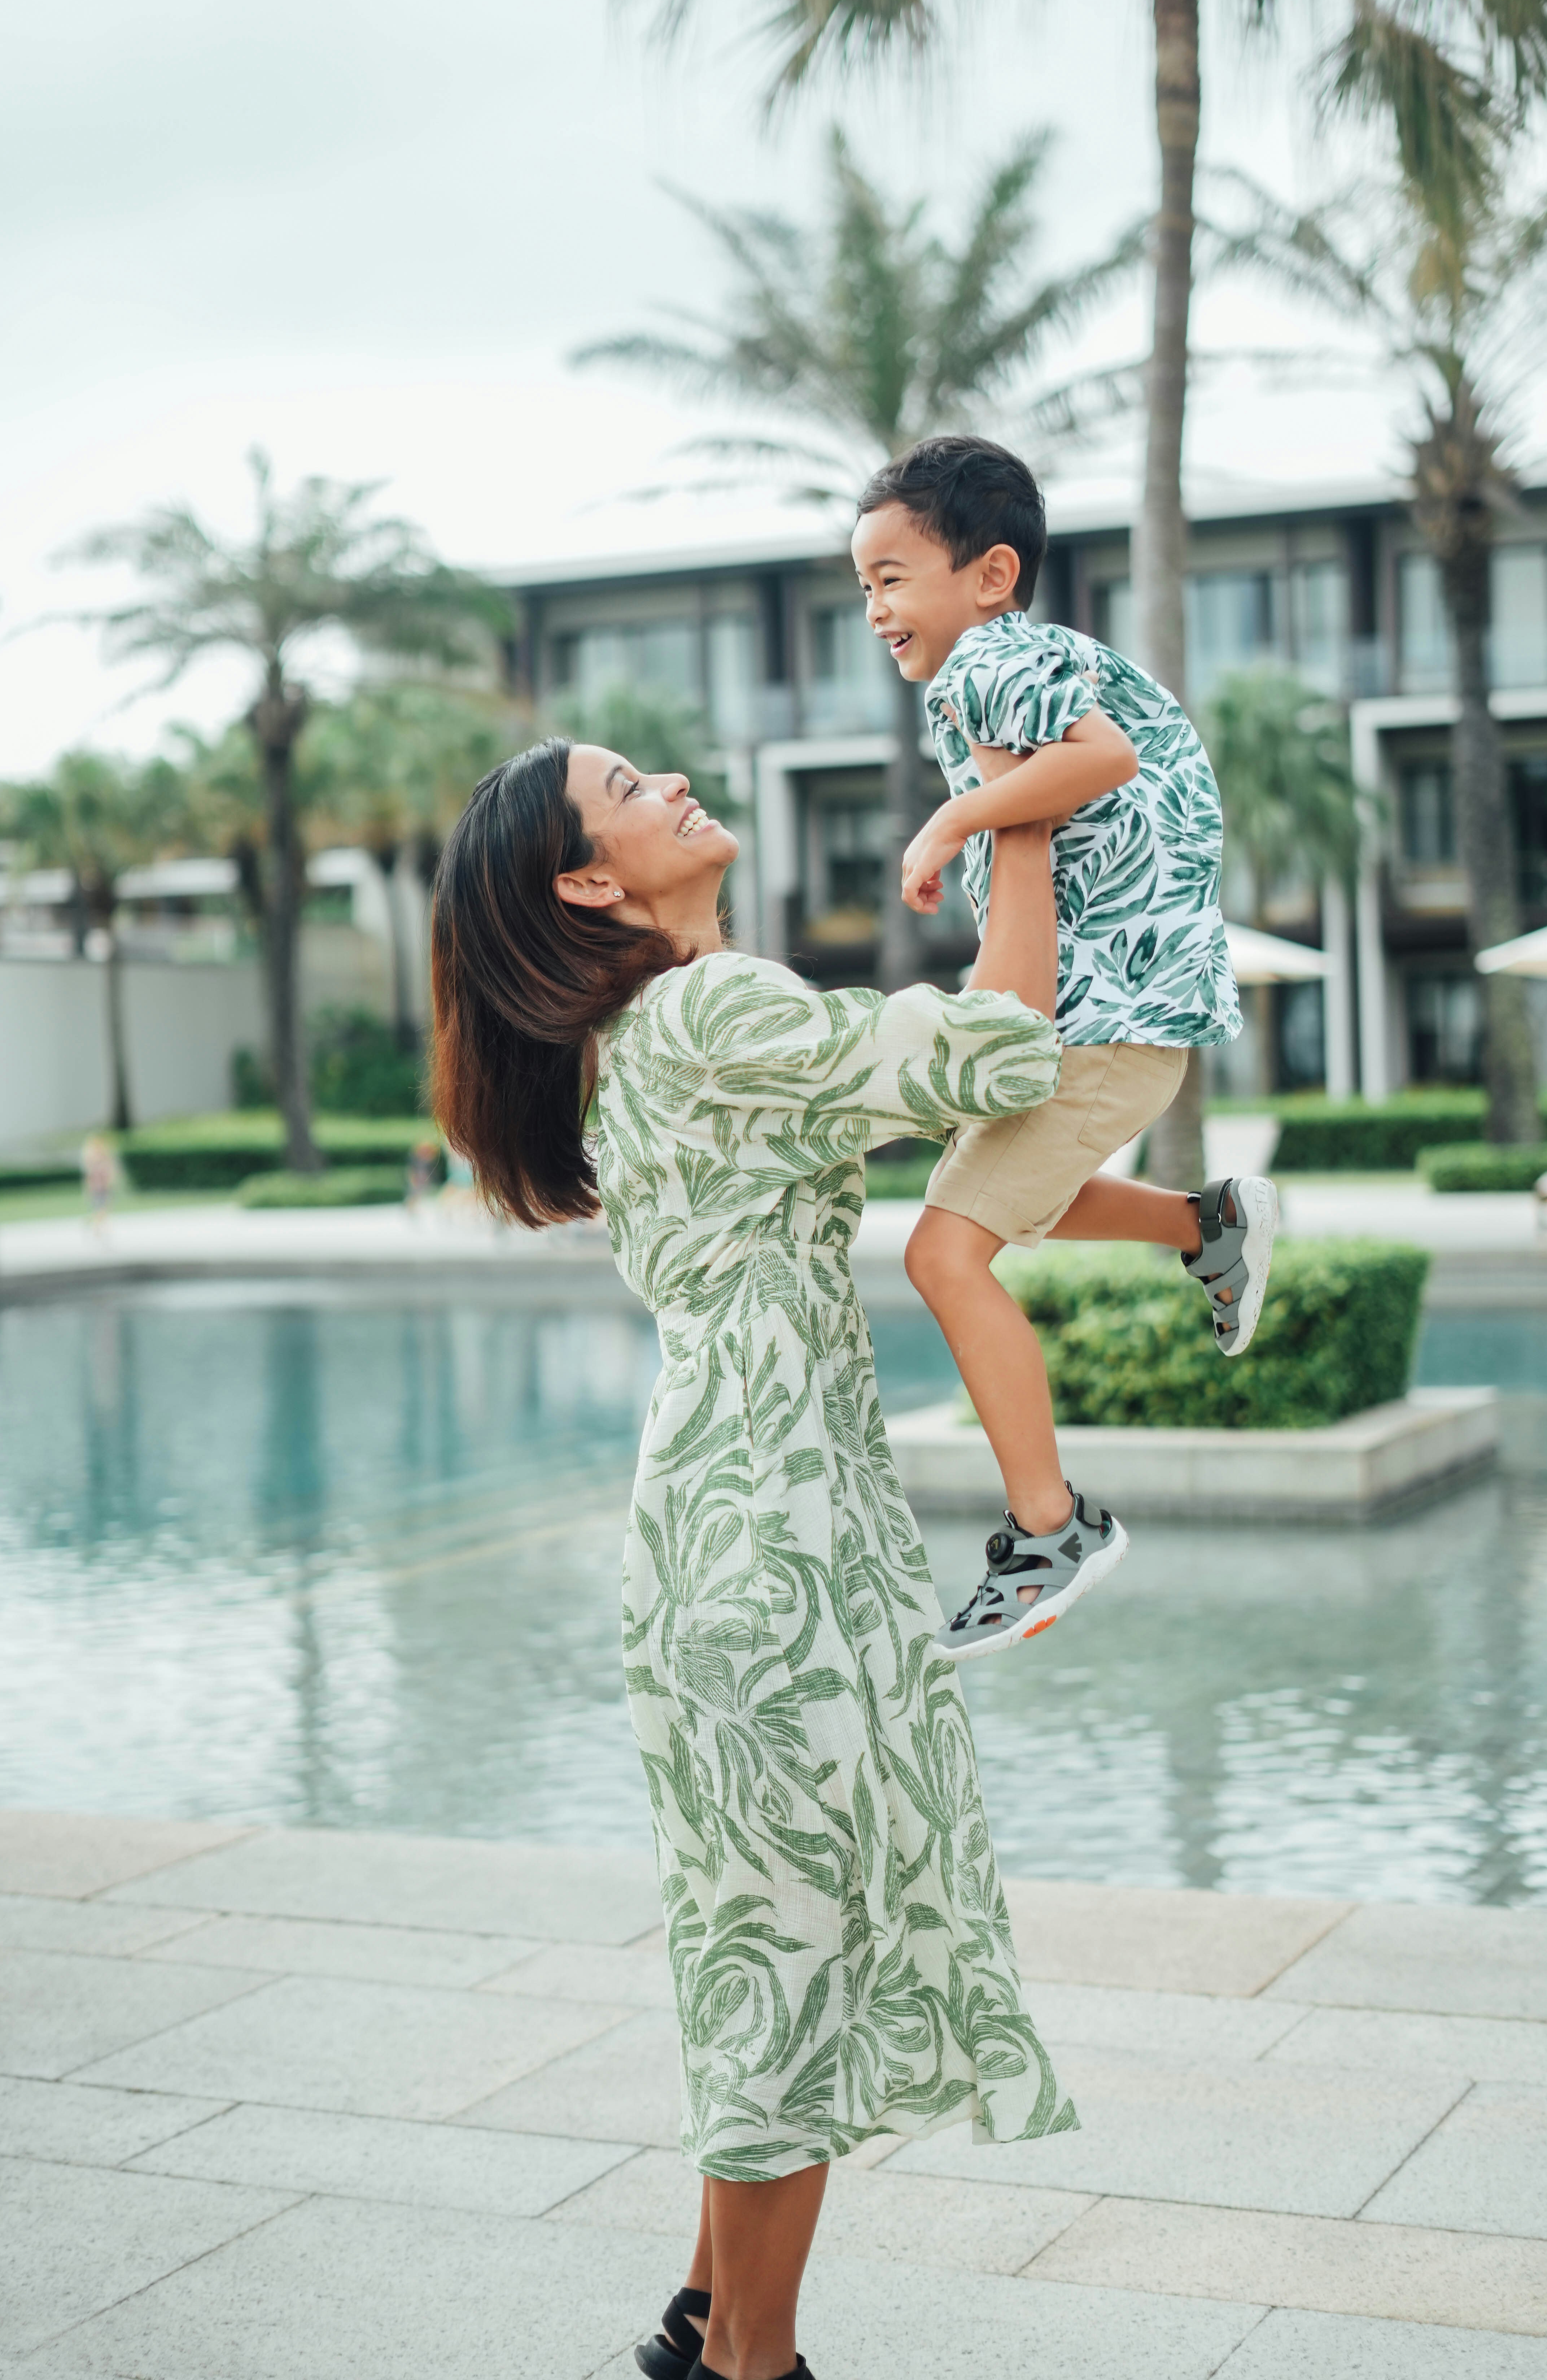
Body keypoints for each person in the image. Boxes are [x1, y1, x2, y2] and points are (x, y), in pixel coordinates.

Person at [431, 740, 1077, 2380]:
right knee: (786, 1952)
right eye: (633, 787)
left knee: (761, 1932)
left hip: (738, 1513)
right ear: (592, 882)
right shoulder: (712, 1014)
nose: (676, 785)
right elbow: (1002, 1058)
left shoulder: (663, 1028)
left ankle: (702, 2321)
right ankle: (748, 2372)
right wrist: (1020, 820)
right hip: (774, 1532)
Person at [850, 435, 1279, 1660]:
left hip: (1111, 1014)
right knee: (1006, 1215)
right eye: (863, 584)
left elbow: (1106, 763)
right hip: (1125, 1009)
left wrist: (947, 820)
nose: (875, 606)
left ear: (990, 575)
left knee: (945, 1253)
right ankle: (1210, 1227)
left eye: (892, 576)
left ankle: (1055, 1528)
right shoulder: (1016, 665)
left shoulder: (990, 664)